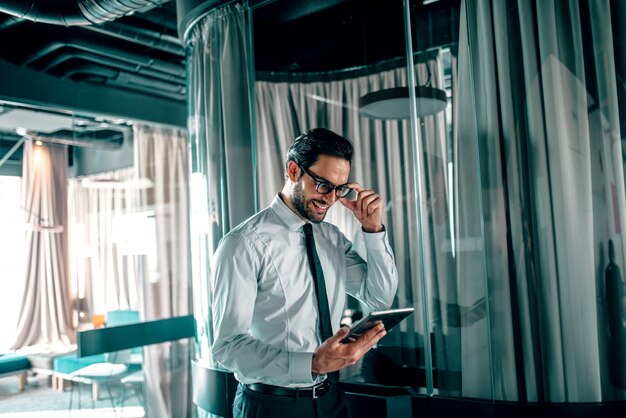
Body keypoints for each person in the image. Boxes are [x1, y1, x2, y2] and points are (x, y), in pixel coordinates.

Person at [211, 128, 399, 418]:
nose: (331, 199)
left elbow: (379, 297)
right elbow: (228, 347)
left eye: (339, 188)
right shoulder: (243, 244)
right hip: (271, 406)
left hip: (331, 400)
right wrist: (311, 363)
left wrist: (372, 229)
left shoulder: (332, 238)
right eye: (323, 185)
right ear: (293, 170)